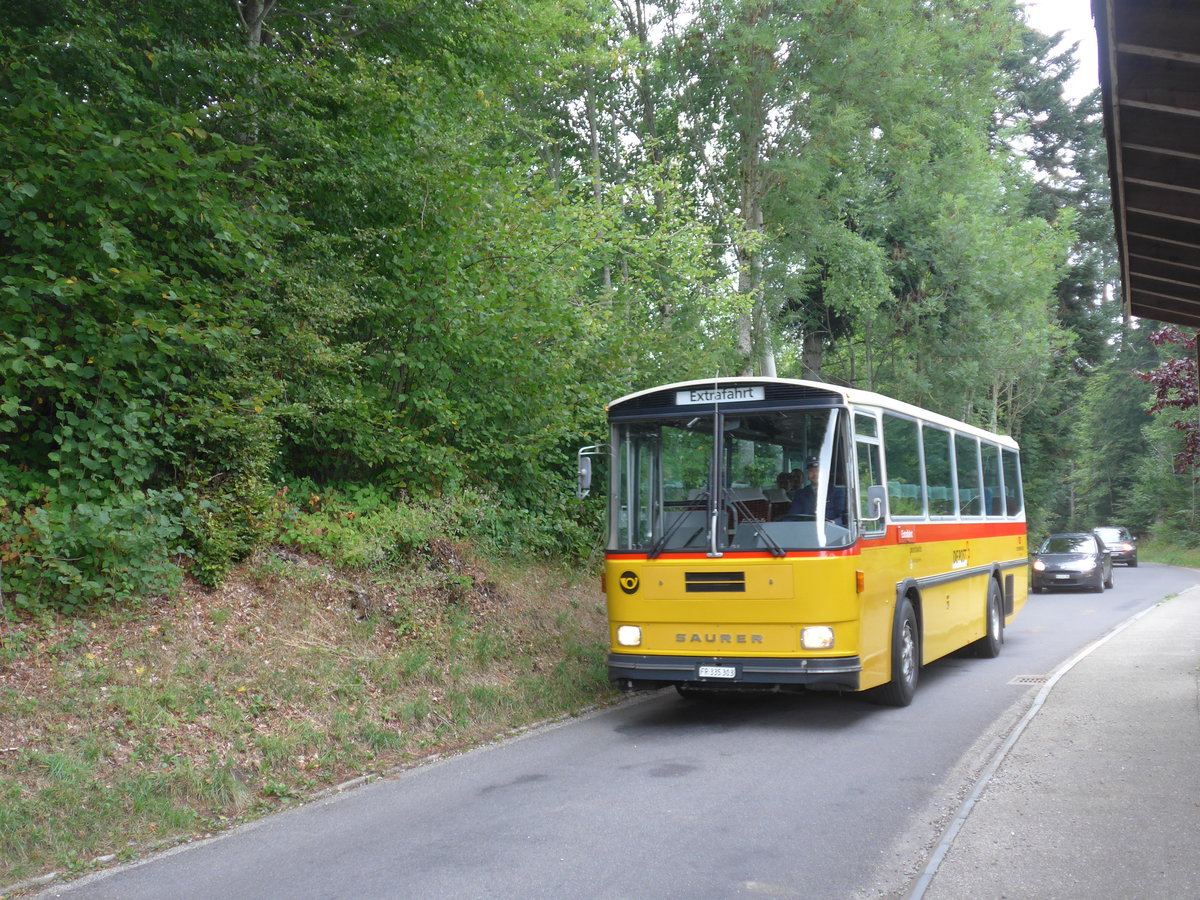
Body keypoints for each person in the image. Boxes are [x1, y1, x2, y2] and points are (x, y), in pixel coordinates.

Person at [786, 456, 846, 525]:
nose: (815, 474)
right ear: (807, 474)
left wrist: (834, 522)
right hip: (806, 530)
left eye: (818, 470)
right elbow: (793, 517)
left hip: (831, 531)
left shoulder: (836, 492)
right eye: (811, 471)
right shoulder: (800, 494)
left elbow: (842, 517)